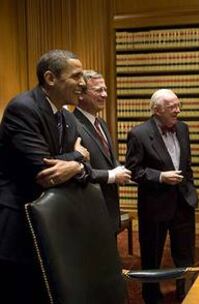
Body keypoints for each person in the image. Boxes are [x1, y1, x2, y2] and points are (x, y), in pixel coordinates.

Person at [0, 49, 90, 303]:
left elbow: (86, 172)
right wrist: (78, 158)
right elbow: (44, 170)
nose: (83, 83)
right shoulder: (23, 108)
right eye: (76, 76)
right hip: (19, 225)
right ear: (50, 78)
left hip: (52, 226)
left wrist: (78, 166)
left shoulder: (67, 118)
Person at [125, 89, 198, 304]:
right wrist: (159, 177)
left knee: (185, 256)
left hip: (183, 202)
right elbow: (133, 170)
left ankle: (186, 294)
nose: (178, 110)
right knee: (152, 257)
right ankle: (152, 297)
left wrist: (191, 190)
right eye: (172, 107)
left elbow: (187, 165)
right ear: (156, 110)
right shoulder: (138, 134)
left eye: (178, 105)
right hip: (154, 206)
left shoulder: (183, 128)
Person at [74, 70, 131, 235]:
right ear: (81, 95)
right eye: (99, 90)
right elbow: (78, 171)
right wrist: (112, 175)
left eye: (105, 89)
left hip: (109, 207)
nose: (105, 95)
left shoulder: (102, 123)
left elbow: (108, 158)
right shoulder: (72, 124)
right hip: (89, 211)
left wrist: (119, 170)